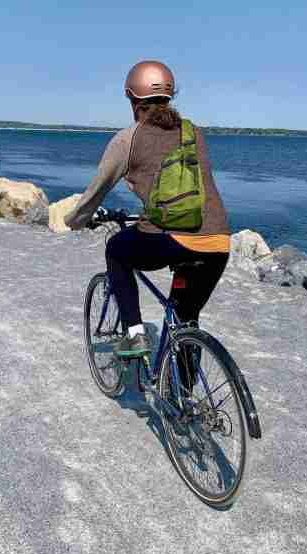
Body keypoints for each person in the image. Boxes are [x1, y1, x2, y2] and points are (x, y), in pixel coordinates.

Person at [65, 60, 231, 358]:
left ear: (132, 98)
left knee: (117, 249)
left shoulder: (129, 137)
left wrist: (76, 221)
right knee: (185, 319)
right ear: (169, 96)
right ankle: (188, 400)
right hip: (218, 240)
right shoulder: (194, 133)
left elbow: (97, 190)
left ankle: (134, 335)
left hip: (169, 237)